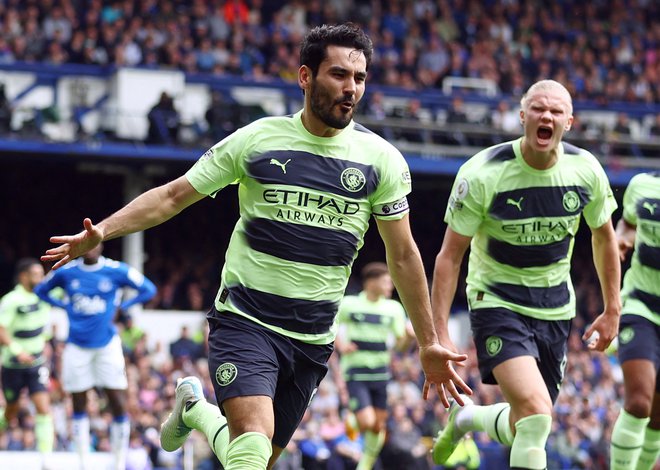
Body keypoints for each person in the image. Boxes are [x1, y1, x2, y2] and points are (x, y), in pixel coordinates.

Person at [40, 23, 471, 470]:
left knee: (257, 458)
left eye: (359, 79)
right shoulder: (257, 140)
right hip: (247, 320)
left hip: (312, 337)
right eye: (339, 75)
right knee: (252, 446)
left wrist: (428, 343)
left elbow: (402, 255)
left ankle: (196, 411)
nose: (351, 89)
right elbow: (173, 195)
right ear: (305, 77)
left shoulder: (381, 160)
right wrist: (103, 232)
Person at [430, 79, 621, 470]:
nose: (546, 116)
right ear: (522, 116)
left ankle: (467, 418)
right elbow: (449, 257)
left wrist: (612, 307)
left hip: (554, 308)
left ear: (570, 121)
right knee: (535, 413)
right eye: (537, 109)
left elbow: (604, 239)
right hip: (496, 300)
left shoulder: (585, 171)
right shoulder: (483, 173)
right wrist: (440, 334)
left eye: (554, 111)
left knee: (529, 425)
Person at [35, 243, 156, 470]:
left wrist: (124, 306)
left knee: (118, 402)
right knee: (78, 403)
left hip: (107, 346)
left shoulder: (117, 270)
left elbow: (149, 289)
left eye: (95, 242)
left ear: (101, 245)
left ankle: (119, 463)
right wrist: (62, 305)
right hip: (76, 347)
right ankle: (83, 463)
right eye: (86, 243)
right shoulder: (66, 272)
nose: (90, 247)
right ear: (80, 246)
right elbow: (41, 290)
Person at [334, 261, 413, 470]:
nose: (390, 286)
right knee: (367, 421)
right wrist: (340, 344)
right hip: (355, 371)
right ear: (371, 282)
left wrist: (409, 338)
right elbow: (328, 325)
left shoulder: (393, 308)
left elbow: (400, 346)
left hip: (381, 373)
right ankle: (351, 421)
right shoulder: (349, 304)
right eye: (387, 281)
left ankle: (365, 466)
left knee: (378, 427)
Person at [610, 171, 660, 470]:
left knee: (656, 417)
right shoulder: (642, 185)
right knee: (639, 402)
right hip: (640, 305)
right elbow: (628, 223)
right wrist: (622, 239)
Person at [0, 258, 54, 468]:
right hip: (13, 365)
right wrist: (17, 351)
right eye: (36, 275)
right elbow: (1, 330)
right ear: (23, 276)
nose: (40, 279)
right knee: (11, 410)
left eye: (41, 274)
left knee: (43, 407)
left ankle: (46, 459)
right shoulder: (11, 300)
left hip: (36, 364)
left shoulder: (43, 296)